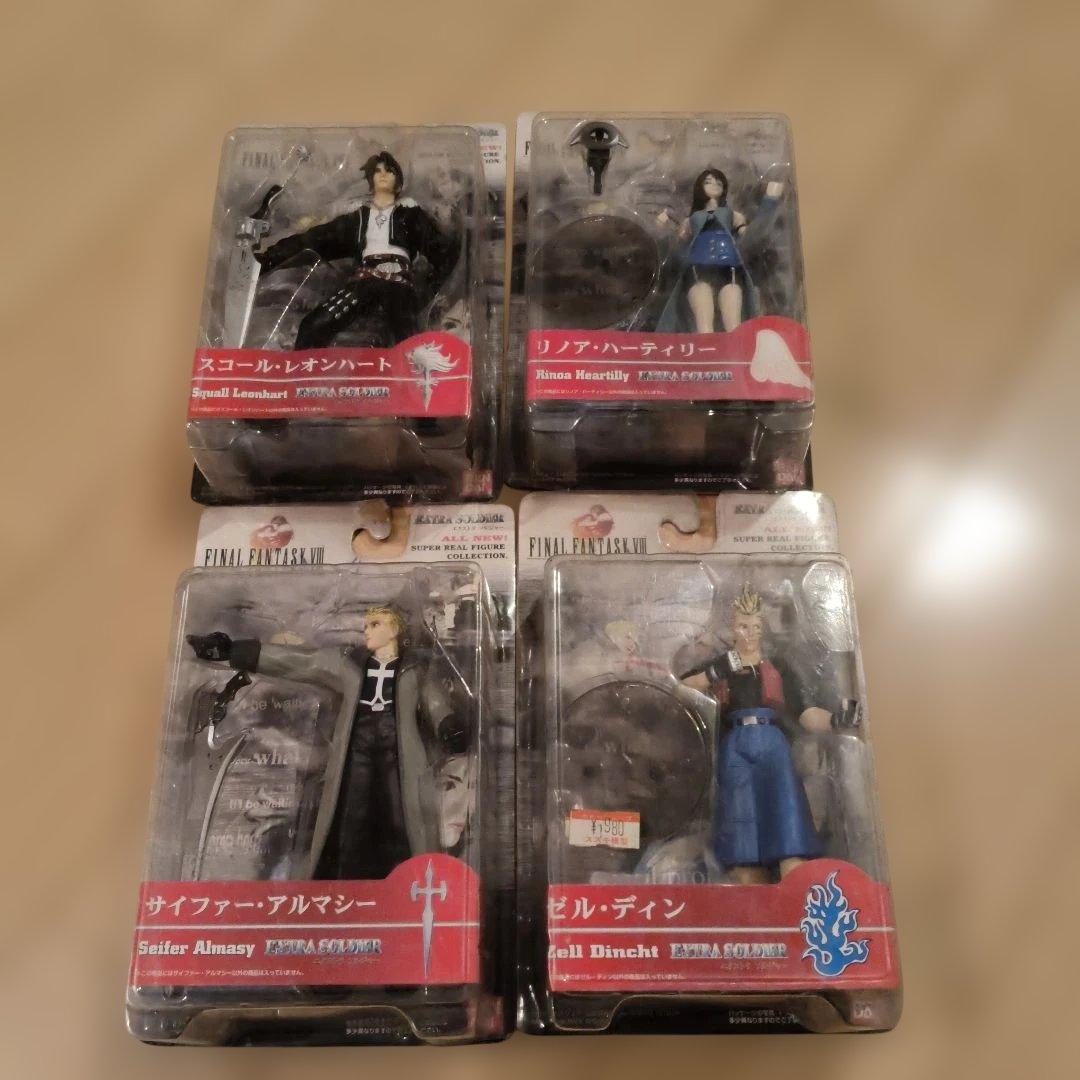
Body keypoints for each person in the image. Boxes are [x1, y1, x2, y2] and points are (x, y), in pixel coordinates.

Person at [187, 602, 456, 880]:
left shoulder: (414, 668)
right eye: (365, 625)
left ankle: (412, 877)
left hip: (399, 754)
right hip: (356, 751)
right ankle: (340, 877)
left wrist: (448, 724)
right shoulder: (349, 663)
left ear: (395, 629)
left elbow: (434, 700)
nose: (366, 631)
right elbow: (302, 662)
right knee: (349, 812)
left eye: (374, 625)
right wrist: (235, 651)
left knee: (402, 814)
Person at [682, 583, 828, 883]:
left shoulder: (778, 666)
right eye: (743, 626)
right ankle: (750, 887)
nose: (750, 633)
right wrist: (715, 672)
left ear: (763, 629)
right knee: (741, 822)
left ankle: (793, 884)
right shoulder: (721, 665)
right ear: (732, 628)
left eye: (756, 626)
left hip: (772, 741)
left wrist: (839, 719)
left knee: (786, 811)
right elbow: (681, 688)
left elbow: (806, 713)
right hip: (735, 743)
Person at [256, 150, 458, 348]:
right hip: (365, 279)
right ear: (370, 179)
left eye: (389, 171)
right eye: (377, 171)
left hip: (399, 284)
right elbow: (315, 239)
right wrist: (269, 259)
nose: (383, 175)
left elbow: (442, 250)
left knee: (409, 340)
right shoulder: (358, 218)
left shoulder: (410, 214)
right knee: (313, 326)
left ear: (398, 181)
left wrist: (428, 289)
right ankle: (304, 366)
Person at [657, 168, 782, 334]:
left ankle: (735, 345)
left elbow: (752, 236)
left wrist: (770, 201)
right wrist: (663, 226)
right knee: (703, 325)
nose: (714, 185)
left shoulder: (734, 216)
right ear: (700, 187)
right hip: (697, 270)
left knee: (734, 324)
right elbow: (677, 243)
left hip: (730, 269)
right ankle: (706, 346)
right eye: (708, 182)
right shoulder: (691, 220)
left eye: (718, 182)